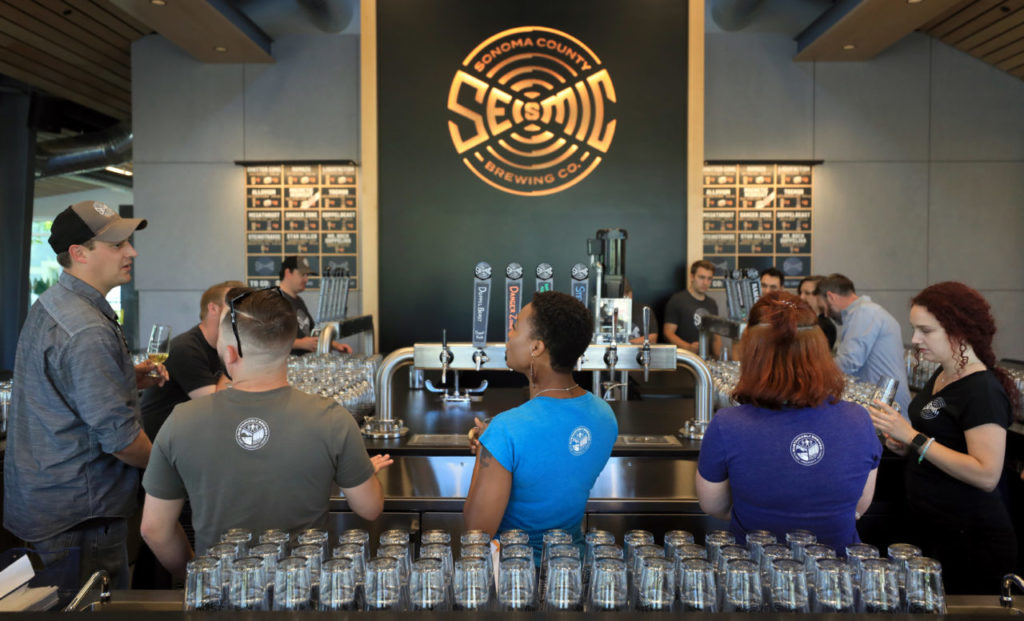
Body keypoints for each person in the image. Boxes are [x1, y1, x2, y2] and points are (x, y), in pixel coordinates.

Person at [140, 287, 391, 577]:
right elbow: (370, 508)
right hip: (301, 589)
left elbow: (154, 529)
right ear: (287, 348)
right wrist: (362, 472)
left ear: (229, 354)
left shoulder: (180, 420)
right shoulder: (333, 418)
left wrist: (197, 574)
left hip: (217, 590)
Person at [4, 200, 165, 588]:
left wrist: (125, 376)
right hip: (81, 516)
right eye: (117, 244)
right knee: (90, 608)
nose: (131, 252)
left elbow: (61, 385)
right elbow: (122, 441)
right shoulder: (86, 328)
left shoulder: (55, 302)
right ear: (79, 253)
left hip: (48, 503)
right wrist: (173, 469)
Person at [696, 291, 881, 552]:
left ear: (753, 353)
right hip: (839, 571)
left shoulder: (728, 424)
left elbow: (713, 506)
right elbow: (859, 506)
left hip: (754, 568)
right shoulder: (858, 419)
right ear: (819, 351)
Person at [868, 282, 1019, 595]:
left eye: (925, 331)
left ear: (960, 330)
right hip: (931, 524)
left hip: (970, 537)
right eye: (914, 329)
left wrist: (912, 436)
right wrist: (905, 444)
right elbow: (940, 442)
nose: (915, 339)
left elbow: (986, 474)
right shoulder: (942, 374)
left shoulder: (981, 390)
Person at [463, 291, 617, 554]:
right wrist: (495, 443)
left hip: (516, 573)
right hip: (572, 568)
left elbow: (476, 532)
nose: (509, 335)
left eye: (515, 328)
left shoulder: (505, 430)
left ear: (536, 348)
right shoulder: (605, 416)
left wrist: (486, 449)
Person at [139, 280, 245, 439]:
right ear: (213, 308)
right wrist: (232, 352)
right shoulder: (186, 349)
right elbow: (216, 407)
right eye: (234, 305)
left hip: (193, 433)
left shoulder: (220, 345)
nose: (242, 313)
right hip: (163, 443)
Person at [817, 273, 911, 414]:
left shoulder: (864, 312)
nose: (826, 314)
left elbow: (849, 362)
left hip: (888, 400)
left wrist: (814, 372)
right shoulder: (863, 312)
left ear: (831, 297)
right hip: (881, 398)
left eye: (824, 307)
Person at [279, 255, 352, 356]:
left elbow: (313, 332)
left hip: (305, 362)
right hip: (285, 364)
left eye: (307, 275)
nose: (306, 279)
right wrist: (300, 344)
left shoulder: (299, 301)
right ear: (288, 273)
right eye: (302, 274)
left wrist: (335, 345)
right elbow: (266, 340)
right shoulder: (274, 300)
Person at [663, 260, 720, 356]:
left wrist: (719, 359)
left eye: (709, 278)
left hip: (708, 360)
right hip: (685, 359)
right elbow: (668, 333)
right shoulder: (677, 300)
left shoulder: (712, 303)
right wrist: (688, 347)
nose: (705, 282)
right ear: (692, 276)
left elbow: (716, 337)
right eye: (701, 277)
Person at [797, 275, 837, 350]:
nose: (801, 297)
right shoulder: (800, 322)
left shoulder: (826, 328)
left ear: (821, 295)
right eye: (800, 292)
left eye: (807, 293)